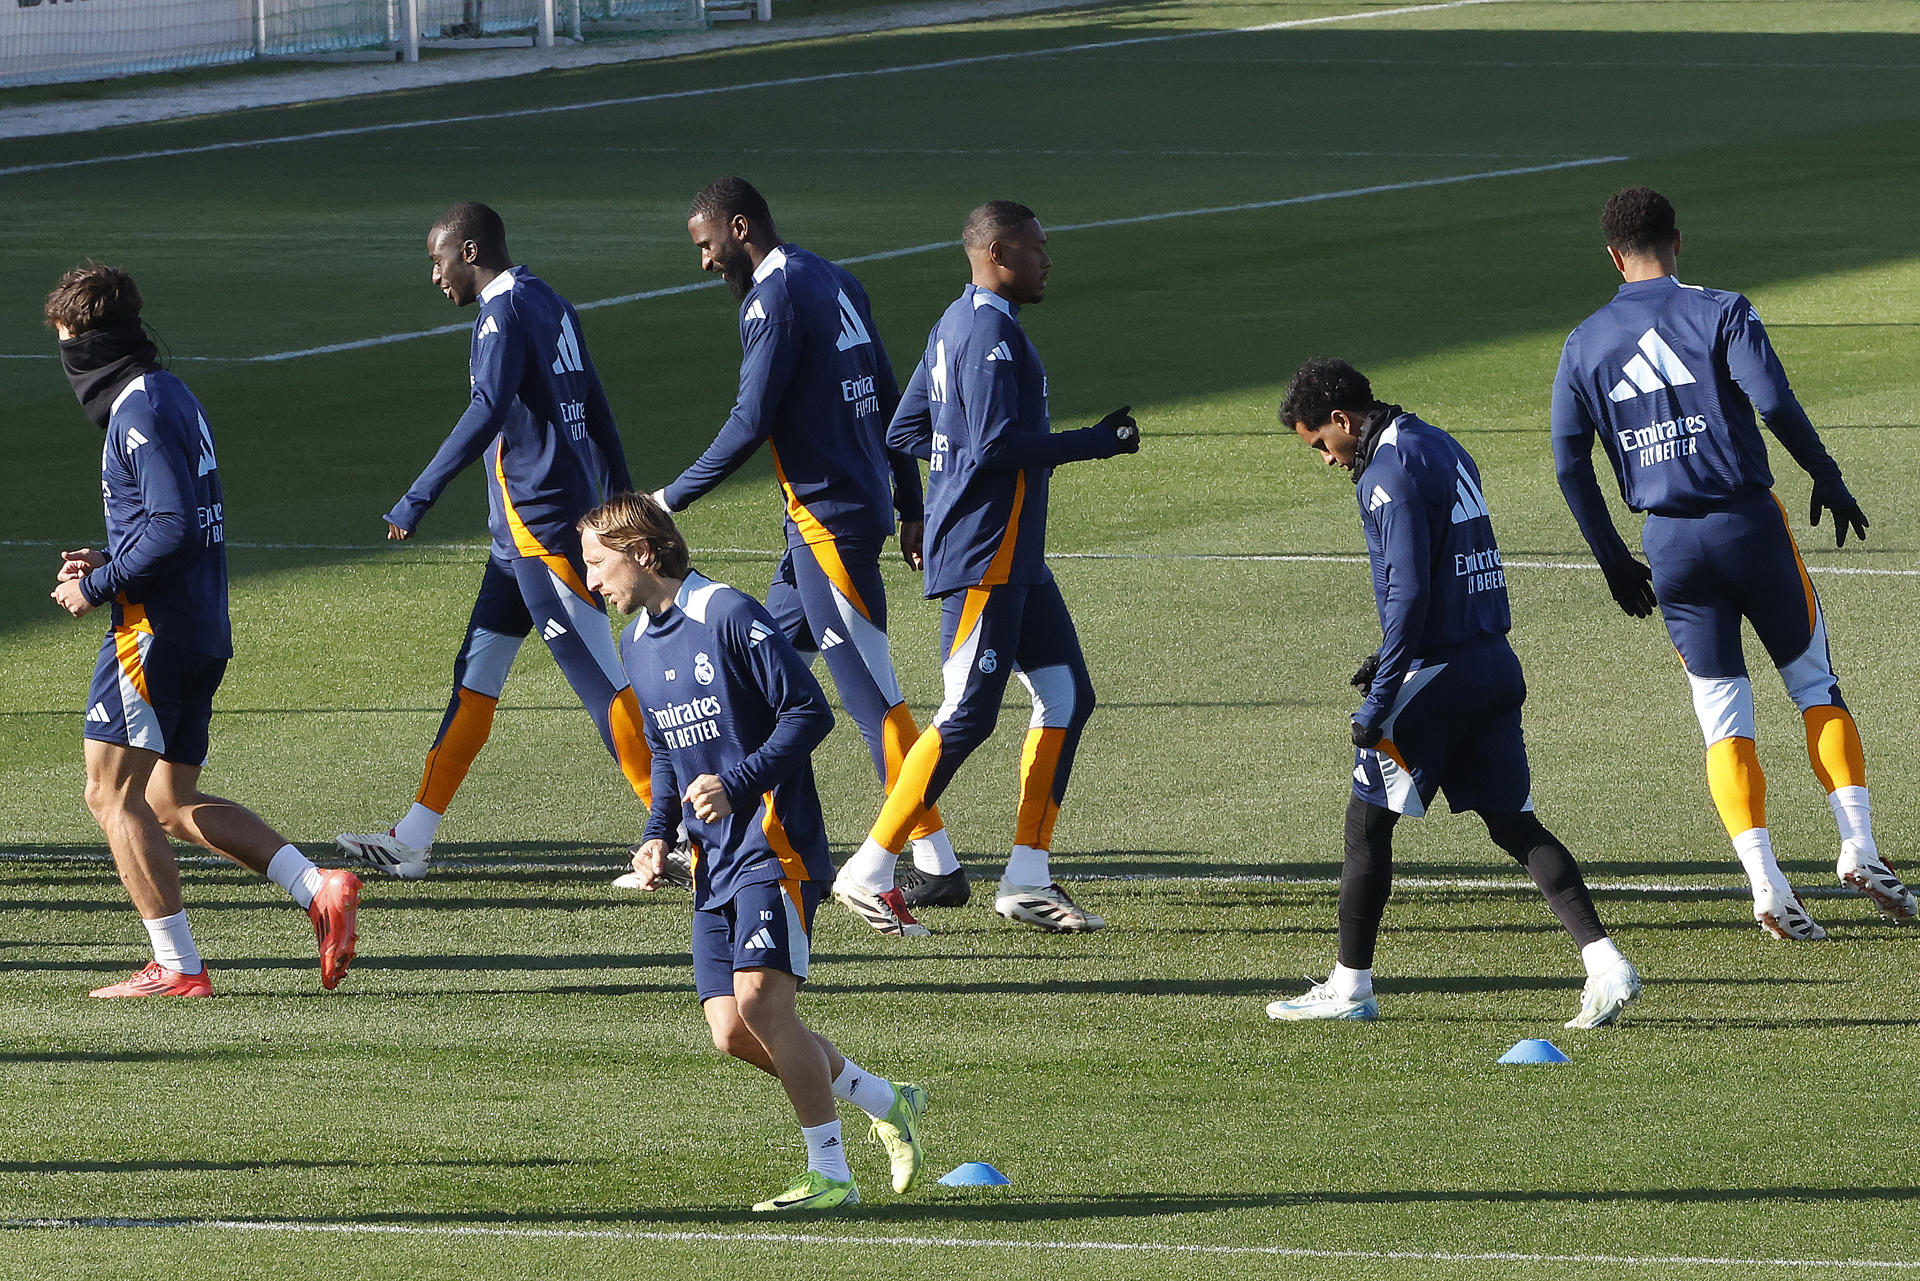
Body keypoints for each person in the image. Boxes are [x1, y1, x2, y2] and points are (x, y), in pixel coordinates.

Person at [1552, 186, 1913, 939]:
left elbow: (1568, 462)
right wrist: (1826, 473)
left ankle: (1765, 881)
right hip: (1749, 524)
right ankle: (1861, 847)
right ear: (1677, 241)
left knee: (1724, 721)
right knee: (1814, 683)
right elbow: (1773, 400)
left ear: (1614, 257)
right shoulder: (1719, 309)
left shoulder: (1583, 341)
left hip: (1669, 545)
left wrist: (1614, 557)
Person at [1266, 358, 1640, 1029]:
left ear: (1343, 420)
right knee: (1513, 822)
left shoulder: (1384, 474)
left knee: (1366, 825)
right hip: (1492, 663)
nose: (1325, 459)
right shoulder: (1439, 443)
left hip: (1435, 679)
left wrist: (1381, 697)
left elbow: (1409, 591)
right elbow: (1449, 568)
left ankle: (1350, 986)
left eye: (1321, 442)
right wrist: (1388, 654)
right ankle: (1606, 963)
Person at [580, 492, 928, 1213]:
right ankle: (887, 1100)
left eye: (597, 562)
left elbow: (810, 709)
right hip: (715, 861)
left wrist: (738, 782)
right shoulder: (636, 643)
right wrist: (656, 833)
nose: (591, 581)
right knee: (732, 1029)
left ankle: (830, 1172)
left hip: (777, 846)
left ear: (642, 551)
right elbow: (671, 754)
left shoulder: (728, 614)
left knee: (762, 1001)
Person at [653, 177, 960, 936]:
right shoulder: (831, 275)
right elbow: (891, 395)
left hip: (829, 525)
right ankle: (737, 833)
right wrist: (911, 502)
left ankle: (935, 862)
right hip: (824, 524)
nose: (703, 262)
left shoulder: (771, 300)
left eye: (706, 245)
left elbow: (751, 419)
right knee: (752, 668)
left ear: (737, 225)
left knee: (871, 698)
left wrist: (668, 500)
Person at [46, 262, 360, 997]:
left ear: (91, 343)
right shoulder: (173, 394)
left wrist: (96, 584)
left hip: (151, 630)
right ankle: (319, 887)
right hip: (199, 623)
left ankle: (177, 964)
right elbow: (171, 518)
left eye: (67, 346)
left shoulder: (137, 412)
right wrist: (112, 550)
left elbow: (174, 525)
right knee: (168, 800)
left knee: (108, 793)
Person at [840, 200, 1138, 935]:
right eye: (1037, 248)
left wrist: (947, 479)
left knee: (1068, 694)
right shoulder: (986, 332)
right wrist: (1095, 442)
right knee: (966, 714)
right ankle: (868, 868)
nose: (1047, 260)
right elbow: (996, 446)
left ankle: (1028, 876)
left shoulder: (955, 324)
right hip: (986, 552)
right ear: (997, 252)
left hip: (1011, 553)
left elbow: (908, 427)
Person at [335, 202, 654, 879]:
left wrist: (417, 495)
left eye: (438, 260)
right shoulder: (550, 300)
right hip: (516, 541)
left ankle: (680, 834)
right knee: (475, 678)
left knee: (604, 684)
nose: (434, 275)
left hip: (542, 530)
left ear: (470, 251)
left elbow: (487, 408)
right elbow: (596, 404)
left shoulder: (502, 313)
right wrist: (622, 495)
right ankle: (414, 836)